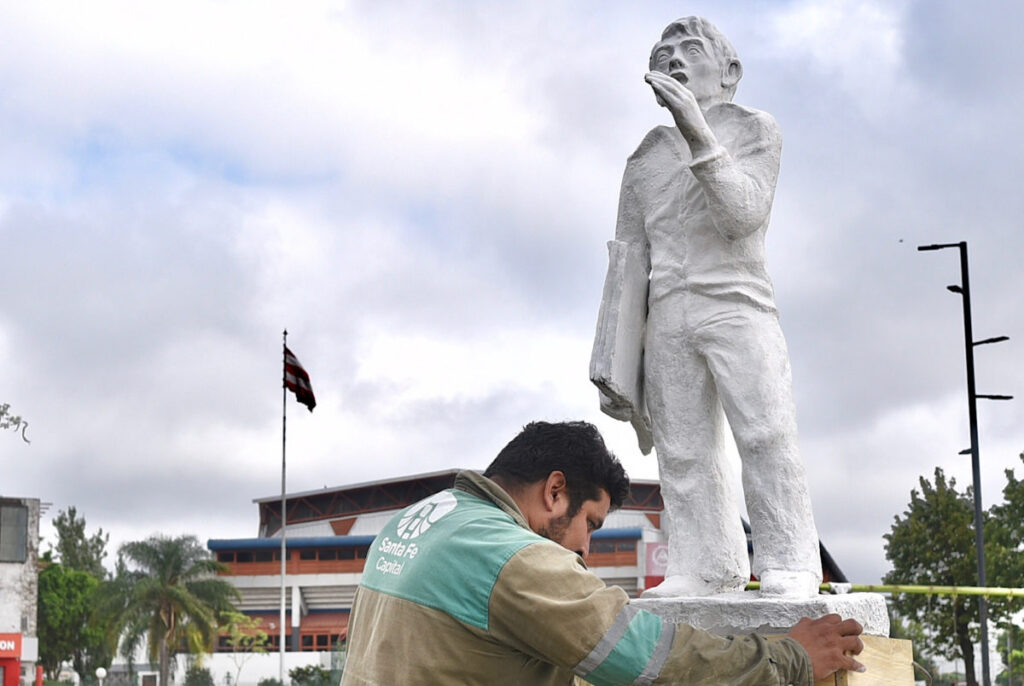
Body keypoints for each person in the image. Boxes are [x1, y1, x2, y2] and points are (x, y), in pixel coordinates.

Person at [341, 420, 864, 685]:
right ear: (554, 491)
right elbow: (651, 658)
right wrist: (789, 657)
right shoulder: (515, 559)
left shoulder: (416, 520)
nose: (584, 549)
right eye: (589, 523)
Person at [591, 16, 821, 598]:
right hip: (668, 312)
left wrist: (699, 134)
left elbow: (743, 217)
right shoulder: (644, 158)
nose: (673, 59)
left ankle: (789, 559)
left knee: (765, 432)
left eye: (690, 49)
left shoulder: (754, 130)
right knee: (683, 447)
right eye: (662, 51)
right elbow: (628, 257)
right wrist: (613, 355)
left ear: (730, 71)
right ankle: (701, 564)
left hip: (737, 300)